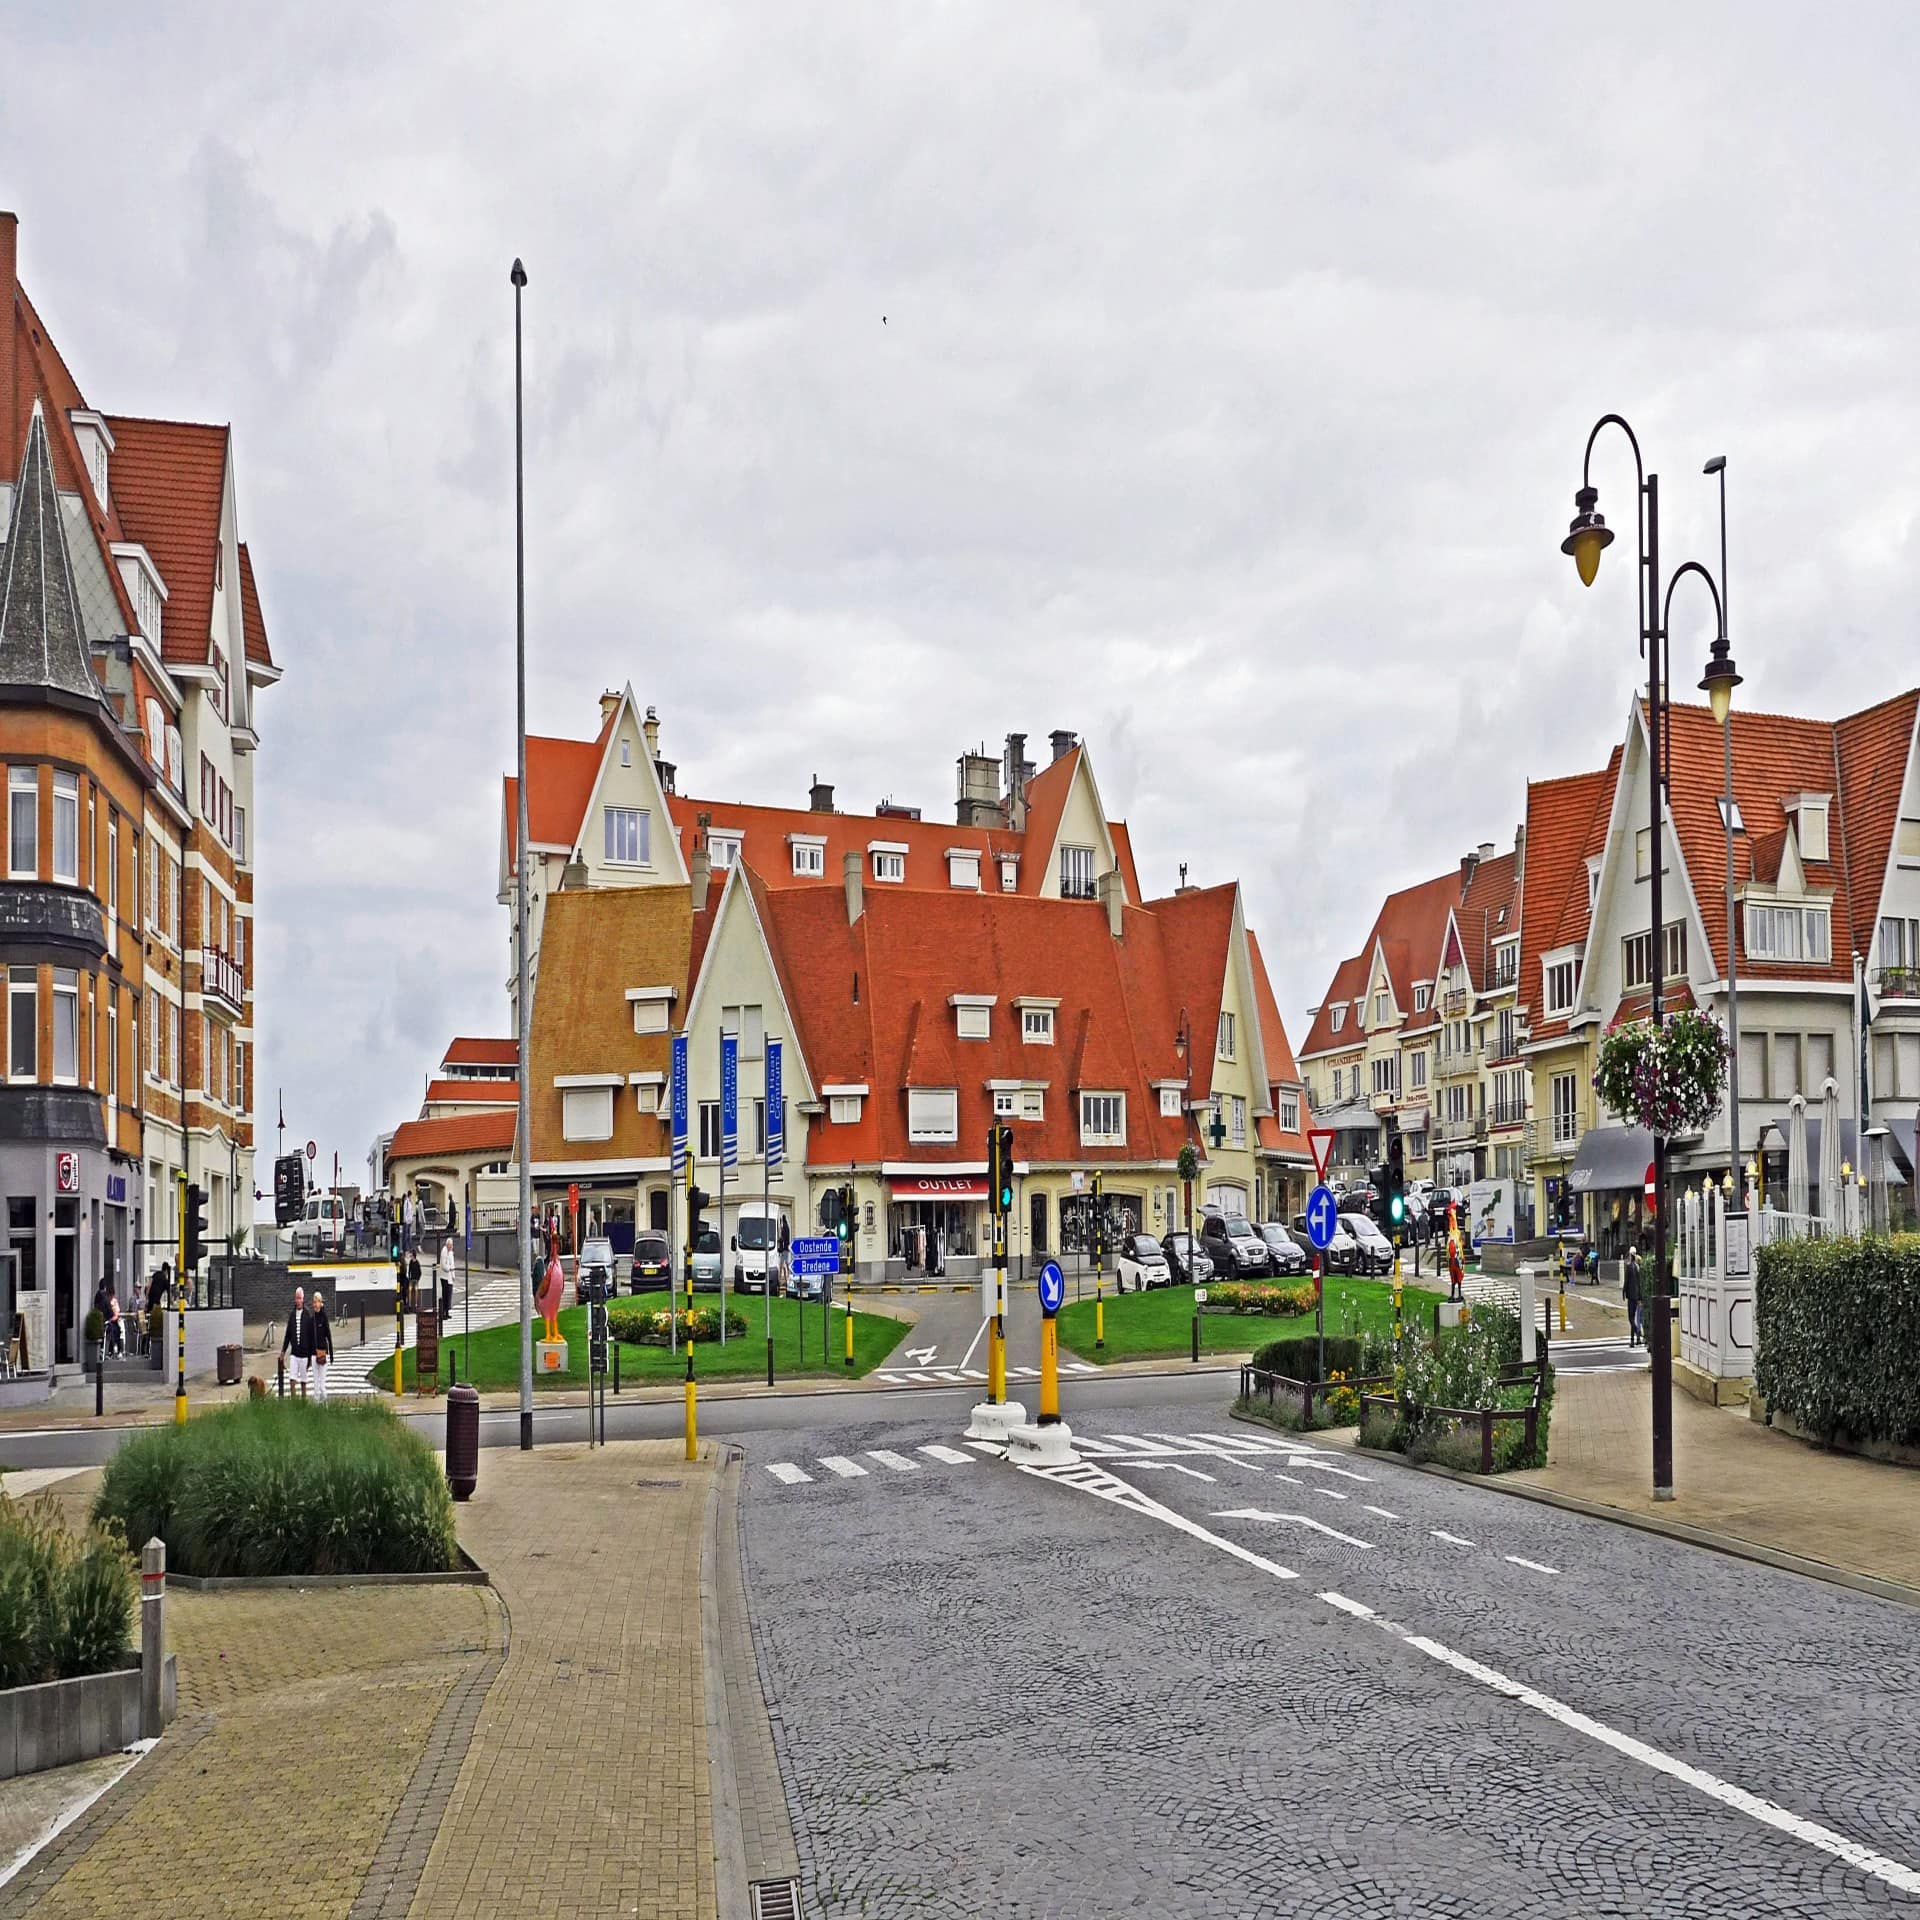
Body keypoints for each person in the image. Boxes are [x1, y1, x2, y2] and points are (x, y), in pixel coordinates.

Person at [281, 1285, 313, 1396]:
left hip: (304, 1354)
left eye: (300, 1298)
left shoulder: (307, 1314)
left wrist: (310, 1355)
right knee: (292, 1379)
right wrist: (283, 1352)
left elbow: (310, 1335)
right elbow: (288, 1335)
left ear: (303, 1299)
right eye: (296, 1298)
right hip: (294, 1353)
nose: (298, 1300)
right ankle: (293, 1402)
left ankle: (303, 1402)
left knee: (303, 1381)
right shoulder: (292, 1315)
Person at [309, 1290, 332, 1401]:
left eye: (317, 1301)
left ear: (321, 1303)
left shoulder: (324, 1317)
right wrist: (309, 1356)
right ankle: (316, 1406)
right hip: (313, 1354)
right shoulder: (312, 1319)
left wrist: (331, 1355)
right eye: (314, 1302)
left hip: (322, 1352)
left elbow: (328, 1336)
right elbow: (310, 1339)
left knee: (322, 1383)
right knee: (315, 1383)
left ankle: (325, 1406)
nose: (315, 1304)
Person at [1624, 1244, 1645, 1347]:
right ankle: (1635, 1339)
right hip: (1637, 1295)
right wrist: (1640, 1296)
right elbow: (1639, 1282)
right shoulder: (1637, 1267)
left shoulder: (1628, 1266)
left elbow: (1626, 1281)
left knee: (1631, 1317)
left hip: (1630, 1295)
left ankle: (1636, 1333)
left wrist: (1624, 1292)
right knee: (1636, 1317)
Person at [439, 1232, 456, 1328]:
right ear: (447, 1245)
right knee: (445, 1295)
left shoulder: (450, 1252)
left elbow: (452, 1264)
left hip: (449, 1277)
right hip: (445, 1277)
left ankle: (447, 1311)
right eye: (450, 1245)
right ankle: (444, 1312)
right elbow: (444, 1265)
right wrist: (449, 1269)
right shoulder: (444, 1252)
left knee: (449, 1295)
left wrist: (453, 1275)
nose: (451, 1247)